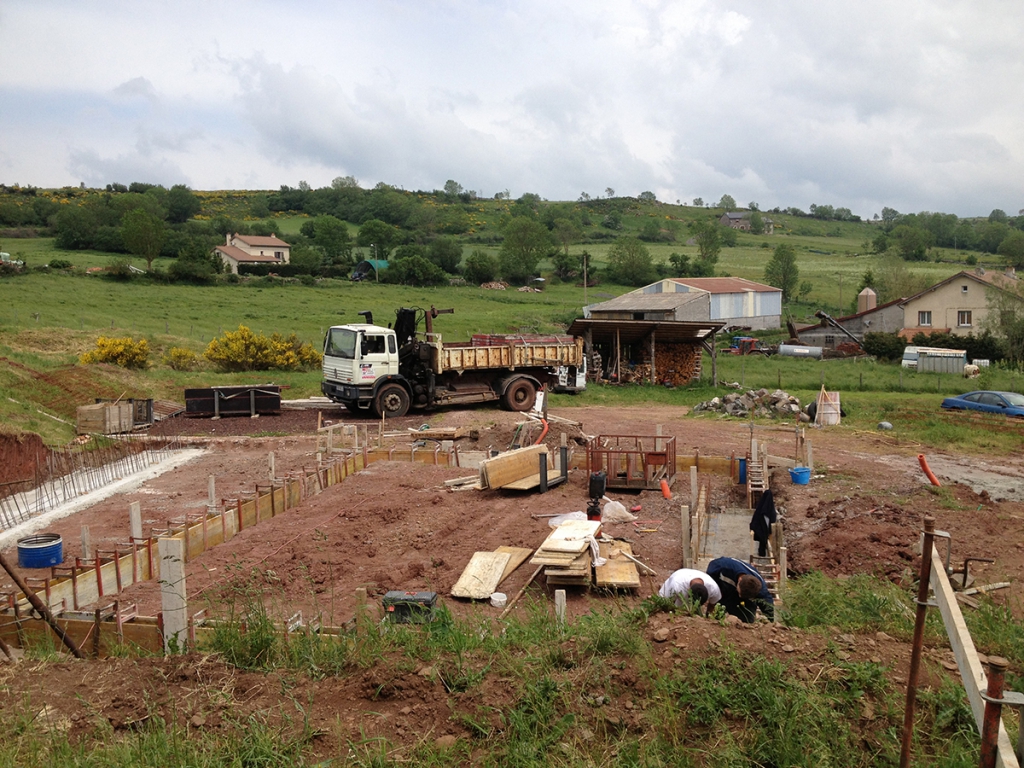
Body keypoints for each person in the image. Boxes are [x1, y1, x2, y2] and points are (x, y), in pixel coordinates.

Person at [706, 557, 775, 623]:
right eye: (739, 593)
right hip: (724, 589)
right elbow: (711, 568)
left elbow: (768, 605)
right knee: (717, 613)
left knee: (747, 620)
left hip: (745, 600)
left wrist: (770, 621)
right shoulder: (726, 565)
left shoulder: (761, 590)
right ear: (739, 580)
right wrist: (716, 586)